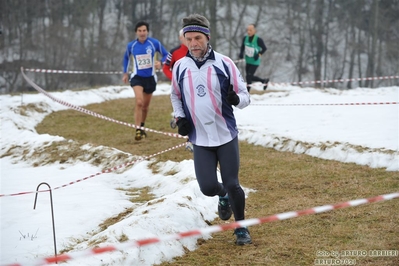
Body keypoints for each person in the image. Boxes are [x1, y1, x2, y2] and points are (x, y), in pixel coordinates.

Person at [170, 14, 252, 245]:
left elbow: (246, 97)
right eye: (189, 39)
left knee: (233, 183)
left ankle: (241, 228)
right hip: (200, 138)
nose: (193, 43)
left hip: (225, 135)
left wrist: (236, 99)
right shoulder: (180, 66)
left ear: (207, 37)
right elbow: (175, 95)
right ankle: (223, 195)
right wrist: (181, 117)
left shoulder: (224, 63)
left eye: (198, 38)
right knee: (207, 187)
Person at [122, 21, 168, 141]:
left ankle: (142, 126)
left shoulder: (154, 43)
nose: (142, 33)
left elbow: (167, 55)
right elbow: (126, 58)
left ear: (147, 32)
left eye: (144, 31)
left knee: (145, 106)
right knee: (139, 102)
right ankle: (137, 129)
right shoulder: (131, 45)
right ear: (136, 32)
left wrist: (161, 62)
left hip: (150, 78)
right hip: (137, 77)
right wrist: (125, 73)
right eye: (139, 31)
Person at [239, 23, 269, 92]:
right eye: (248, 30)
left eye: (251, 30)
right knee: (249, 77)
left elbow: (264, 48)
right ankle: (264, 81)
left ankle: (247, 92)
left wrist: (258, 55)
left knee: (248, 76)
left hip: (255, 61)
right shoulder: (245, 38)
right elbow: (242, 46)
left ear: (255, 31)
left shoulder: (258, 40)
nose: (249, 32)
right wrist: (241, 53)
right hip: (248, 60)